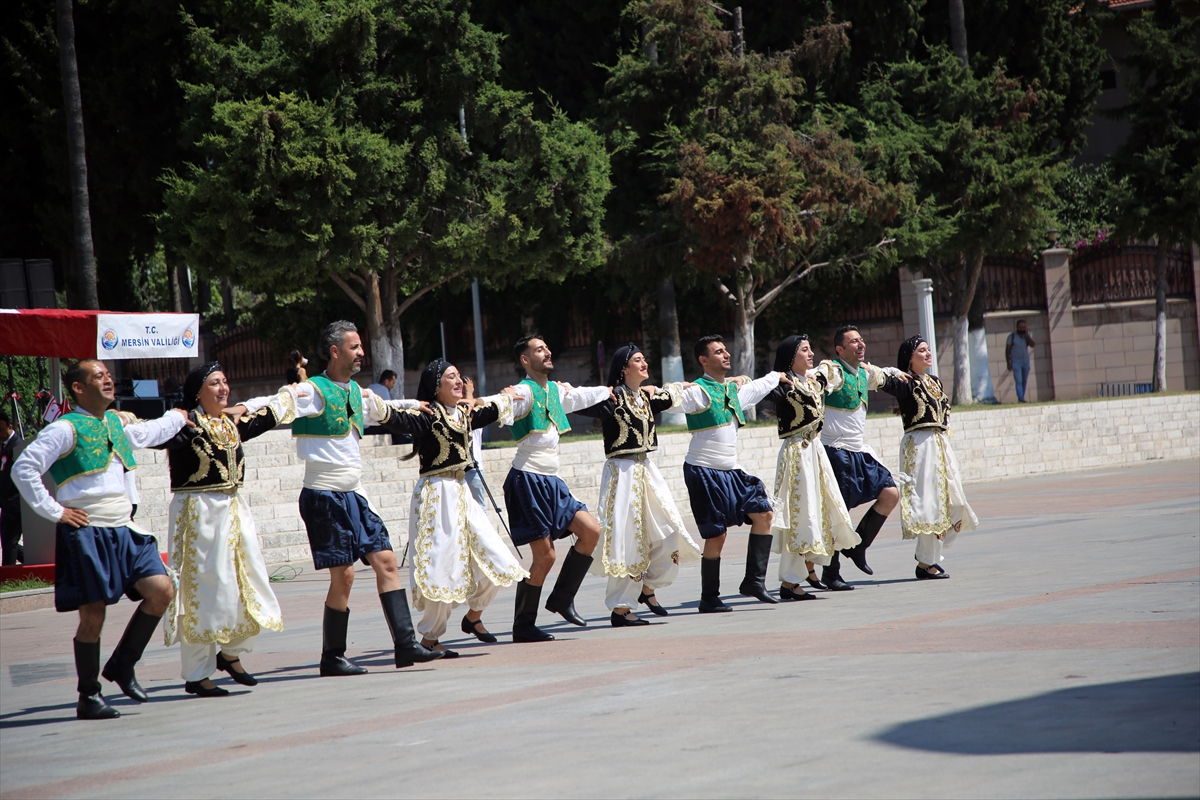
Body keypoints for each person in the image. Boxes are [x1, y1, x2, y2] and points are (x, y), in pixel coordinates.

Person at [12, 360, 189, 719]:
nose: (108, 380)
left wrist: (179, 416)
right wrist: (56, 511)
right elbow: (24, 467)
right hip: (87, 530)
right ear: (78, 388)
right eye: (98, 376)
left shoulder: (116, 422)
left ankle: (123, 664)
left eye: (108, 375)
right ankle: (89, 694)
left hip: (124, 527)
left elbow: (151, 432)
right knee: (93, 614)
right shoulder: (64, 428)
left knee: (162, 590)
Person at [289, 321, 442, 675]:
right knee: (343, 576)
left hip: (355, 494)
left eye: (361, 346)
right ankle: (332, 657)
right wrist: (240, 412)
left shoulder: (357, 393)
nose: (361, 353)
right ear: (335, 351)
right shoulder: (313, 391)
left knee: (387, 562)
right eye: (355, 347)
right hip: (323, 495)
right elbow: (276, 404)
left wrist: (414, 406)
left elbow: (382, 408)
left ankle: (406, 647)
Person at [158, 362, 298, 697]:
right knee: (201, 592)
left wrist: (295, 391)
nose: (224, 389)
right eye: (215, 384)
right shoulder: (185, 424)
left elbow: (271, 411)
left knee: (250, 583)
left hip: (234, 512)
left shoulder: (231, 424)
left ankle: (230, 654)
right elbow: (149, 436)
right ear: (197, 393)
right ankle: (197, 674)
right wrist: (172, 419)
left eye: (225, 382)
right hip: (198, 516)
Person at [381, 359, 526, 653]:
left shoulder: (464, 414)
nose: (459, 381)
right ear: (437, 387)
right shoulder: (426, 416)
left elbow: (491, 409)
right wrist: (407, 404)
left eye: (459, 376)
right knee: (441, 569)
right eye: (451, 377)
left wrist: (509, 396)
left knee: (500, 561)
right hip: (436, 497)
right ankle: (431, 638)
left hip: (462, 493)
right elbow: (390, 416)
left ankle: (473, 618)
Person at [579, 344, 701, 627]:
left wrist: (670, 386)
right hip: (622, 473)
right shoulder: (612, 399)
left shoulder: (645, 398)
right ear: (624, 368)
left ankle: (647, 588)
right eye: (638, 360)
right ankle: (621, 609)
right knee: (627, 539)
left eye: (645, 358)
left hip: (647, 470)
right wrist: (596, 392)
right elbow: (575, 403)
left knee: (670, 531)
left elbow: (673, 395)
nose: (644, 363)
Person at [501, 335, 612, 642]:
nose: (547, 352)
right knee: (545, 557)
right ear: (525, 360)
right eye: (539, 350)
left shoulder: (554, 390)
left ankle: (562, 599)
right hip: (527, 479)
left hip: (552, 481)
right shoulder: (523, 391)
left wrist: (609, 390)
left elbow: (580, 397)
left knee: (591, 531)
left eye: (547, 347)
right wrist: (498, 400)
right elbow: (502, 408)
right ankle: (523, 625)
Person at [679, 335, 789, 612]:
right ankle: (709, 598)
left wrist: (777, 376)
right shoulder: (696, 391)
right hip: (703, 471)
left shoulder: (733, 392)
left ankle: (754, 581)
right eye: (718, 352)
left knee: (764, 514)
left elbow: (759, 386)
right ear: (704, 360)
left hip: (731, 471)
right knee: (716, 536)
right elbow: (671, 400)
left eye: (726, 349)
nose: (726, 354)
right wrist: (666, 390)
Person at [767, 336, 858, 600]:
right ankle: (790, 581)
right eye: (804, 350)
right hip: (796, 453)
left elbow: (833, 373)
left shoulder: (814, 380)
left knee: (818, 510)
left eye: (810, 349)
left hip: (816, 451)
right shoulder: (782, 384)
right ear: (790, 357)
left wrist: (830, 365)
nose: (811, 353)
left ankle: (803, 574)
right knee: (799, 513)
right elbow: (756, 393)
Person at [820, 325, 908, 591]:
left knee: (891, 493)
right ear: (839, 349)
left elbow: (883, 375)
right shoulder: (833, 371)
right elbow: (817, 378)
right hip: (835, 451)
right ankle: (830, 572)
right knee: (839, 511)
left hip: (858, 450)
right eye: (853, 342)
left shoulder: (863, 373)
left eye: (861, 340)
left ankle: (858, 547)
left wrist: (898, 374)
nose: (860, 345)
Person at [890, 337, 979, 578]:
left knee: (951, 500)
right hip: (919, 447)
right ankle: (926, 562)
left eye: (929, 349)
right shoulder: (905, 383)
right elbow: (882, 382)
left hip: (940, 444)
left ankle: (929, 557)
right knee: (927, 503)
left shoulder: (935, 381)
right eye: (921, 350)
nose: (928, 353)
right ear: (910, 357)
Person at [0, 410, 24, 565]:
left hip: (15, 503)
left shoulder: (18, 447)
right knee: (9, 543)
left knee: (9, 543)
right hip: (6, 503)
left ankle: (7, 578)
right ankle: (31, 562)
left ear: (10, 427)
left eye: (0, 430)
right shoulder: (3, 445)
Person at [1005, 320, 1035, 403]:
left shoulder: (1026, 336)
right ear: (1017, 327)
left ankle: (1022, 397)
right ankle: (1020, 398)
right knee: (1019, 380)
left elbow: (1033, 345)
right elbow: (1007, 350)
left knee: (1024, 381)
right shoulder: (1012, 337)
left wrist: (1027, 335)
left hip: (1025, 362)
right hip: (1016, 362)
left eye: (1024, 327)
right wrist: (1008, 363)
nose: (1022, 329)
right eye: (1020, 327)